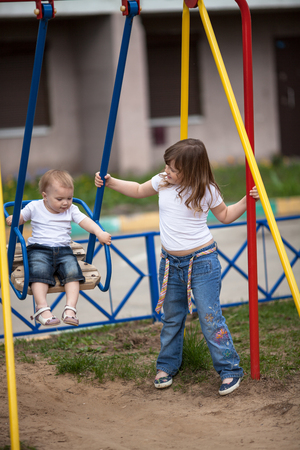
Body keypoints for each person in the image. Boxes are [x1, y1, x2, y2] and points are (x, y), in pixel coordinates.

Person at [95, 138, 259, 396]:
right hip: (170, 264)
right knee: (172, 317)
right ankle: (167, 366)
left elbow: (225, 216)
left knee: (210, 317)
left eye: (173, 169)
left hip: (202, 261)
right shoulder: (162, 181)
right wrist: (111, 182)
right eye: (167, 167)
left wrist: (248, 200)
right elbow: (138, 189)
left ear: (192, 171)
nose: (167, 172)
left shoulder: (207, 190)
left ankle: (229, 369)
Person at [7, 169, 111, 327]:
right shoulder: (34, 207)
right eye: (60, 198)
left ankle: (70, 309)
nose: (65, 203)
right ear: (45, 196)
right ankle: (42, 309)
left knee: (73, 274)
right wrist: (15, 218)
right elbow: (21, 217)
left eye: (69, 198)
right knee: (39, 273)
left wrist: (99, 232)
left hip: (64, 250)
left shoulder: (71, 209)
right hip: (39, 249)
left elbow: (85, 221)